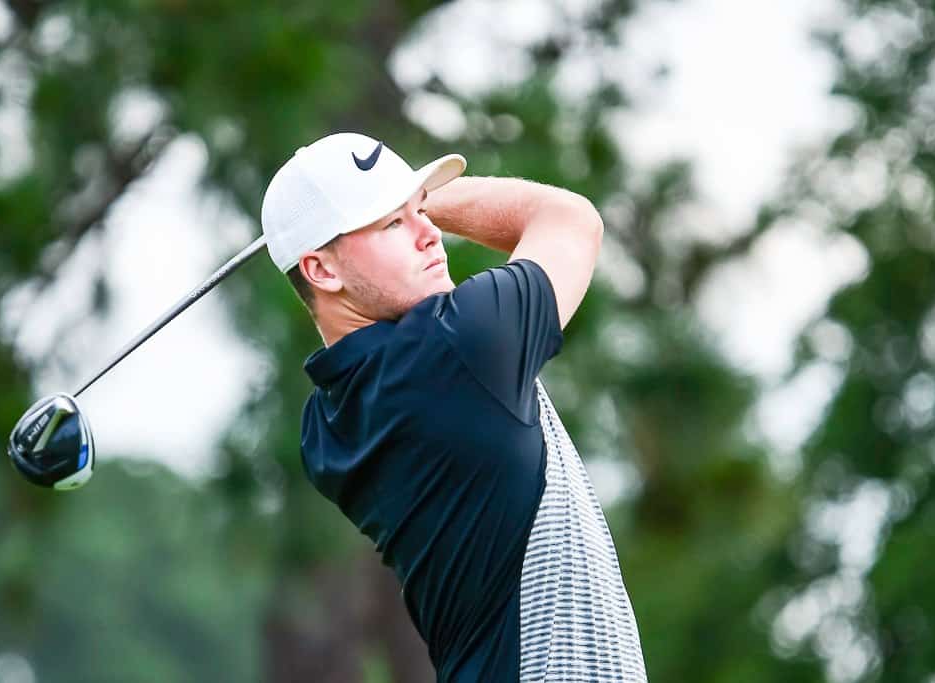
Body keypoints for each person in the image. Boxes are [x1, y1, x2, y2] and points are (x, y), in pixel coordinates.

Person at [261, 132, 647, 682]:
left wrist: (395, 201)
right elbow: (570, 217)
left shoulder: (325, 424)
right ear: (322, 270)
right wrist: (427, 195)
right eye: (394, 223)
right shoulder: (456, 348)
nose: (430, 234)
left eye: (421, 212)